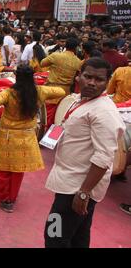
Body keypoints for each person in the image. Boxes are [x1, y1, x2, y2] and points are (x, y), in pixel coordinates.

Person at [44, 58, 125, 248]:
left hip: (77, 187)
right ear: (79, 76)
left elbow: (104, 157)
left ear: (108, 82)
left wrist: (83, 193)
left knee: (54, 236)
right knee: (78, 236)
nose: (91, 83)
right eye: (88, 77)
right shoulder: (82, 100)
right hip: (70, 180)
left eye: (99, 79)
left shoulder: (104, 112)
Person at [0, 65, 65, 213]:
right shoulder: (40, 92)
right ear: (32, 77)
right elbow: (61, 91)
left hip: (7, 135)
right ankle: (12, 199)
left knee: (3, 168)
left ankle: (4, 199)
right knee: (18, 169)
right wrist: (44, 90)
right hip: (27, 136)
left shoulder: (9, 93)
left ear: (16, 76)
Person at [40, 38, 83, 127]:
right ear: (76, 48)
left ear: (65, 46)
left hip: (51, 90)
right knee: (60, 116)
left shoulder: (56, 56)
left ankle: (44, 135)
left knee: (47, 116)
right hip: (65, 92)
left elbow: (42, 63)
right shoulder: (78, 62)